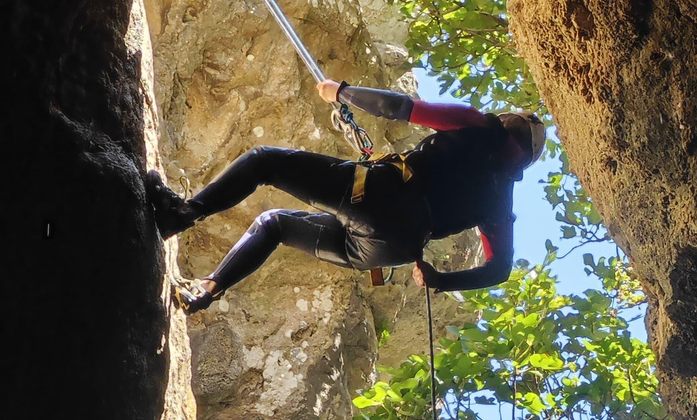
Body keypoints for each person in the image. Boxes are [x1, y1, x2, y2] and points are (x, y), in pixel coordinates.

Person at [146, 80, 545, 314]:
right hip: (391, 248)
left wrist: (343, 92)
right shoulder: (501, 203)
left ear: (507, 123)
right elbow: (499, 270)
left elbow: (400, 107)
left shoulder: (478, 125)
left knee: (265, 161)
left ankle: (182, 213)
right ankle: (206, 291)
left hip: (380, 196)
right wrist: (440, 279)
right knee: (276, 225)